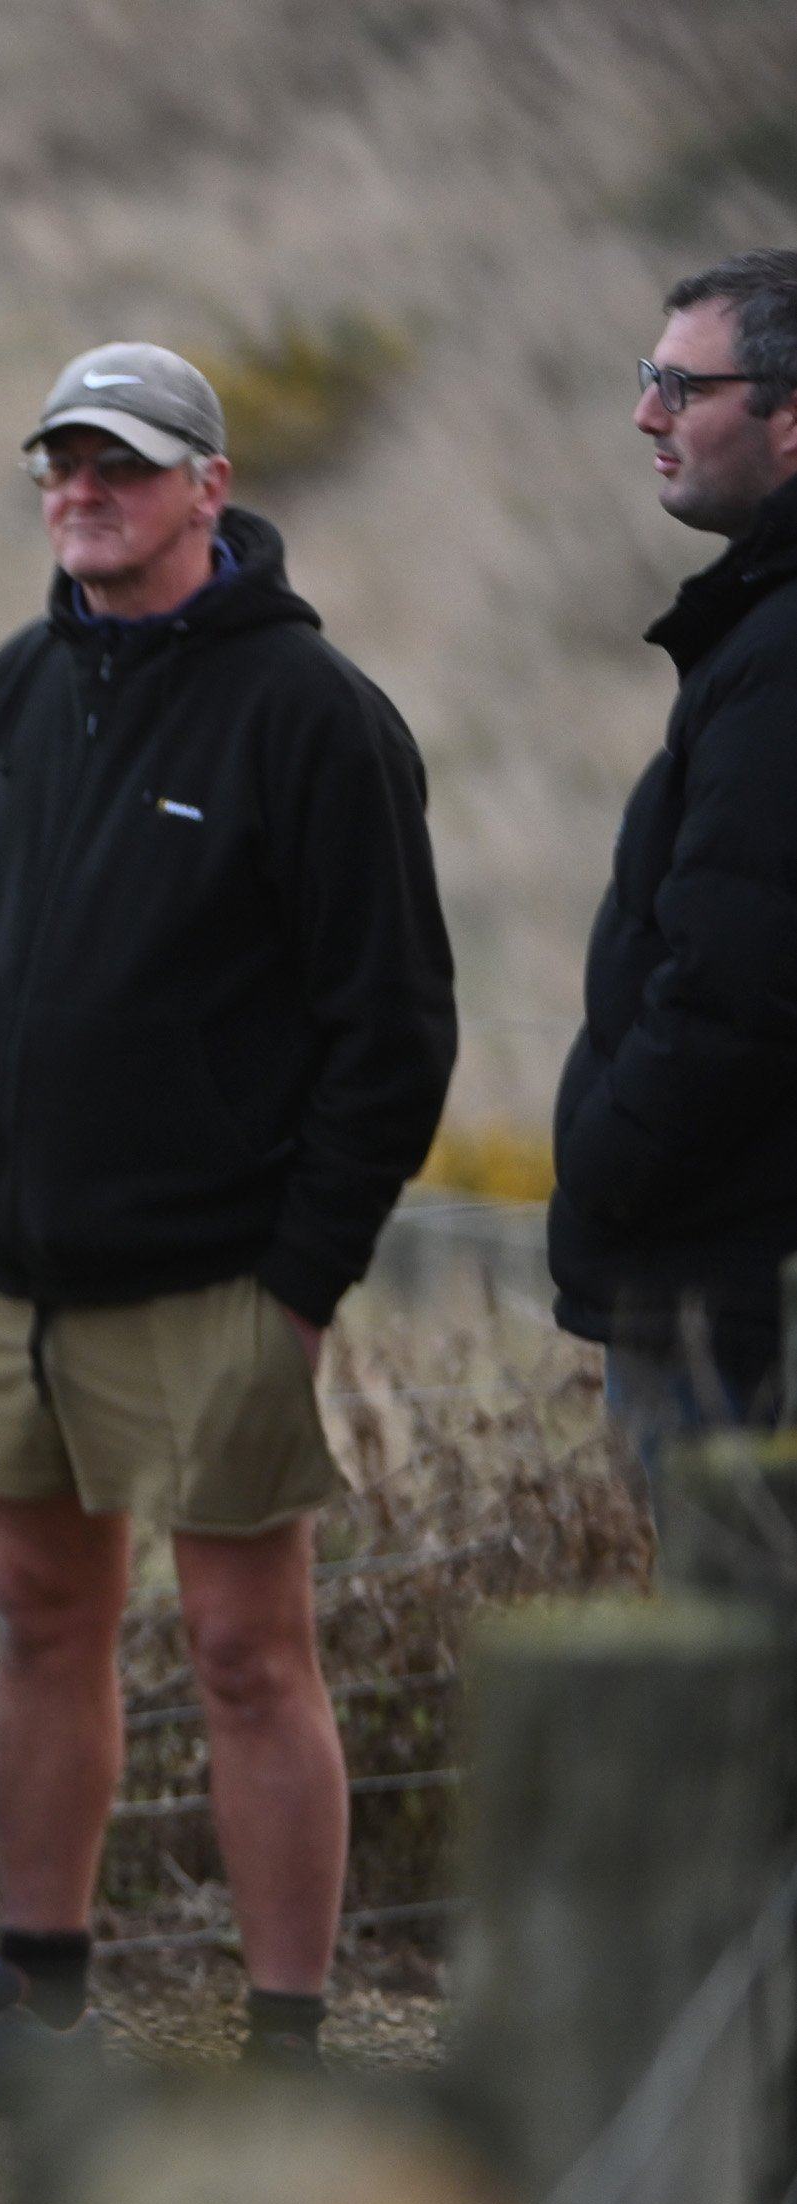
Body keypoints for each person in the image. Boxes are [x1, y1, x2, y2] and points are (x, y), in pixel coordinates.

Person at [0, 346, 453, 2101]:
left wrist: (304, 1280)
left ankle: (284, 2050)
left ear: (208, 485)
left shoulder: (314, 717)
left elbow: (390, 1027)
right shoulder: (14, 685)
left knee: (252, 1651)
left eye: (121, 463)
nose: (81, 489)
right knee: (40, 1613)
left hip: (215, 1283)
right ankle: (30, 2007)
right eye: (61, 462)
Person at [550, 250, 797, 1459]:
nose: (646, 414)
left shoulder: (783, 654)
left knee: (730, 1638)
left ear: (791, 420)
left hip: (732, 1298)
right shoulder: (759, 628)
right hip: (731, 1269)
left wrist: (609, 1159)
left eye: (684, 389)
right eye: (650, 377)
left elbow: (734, 982)